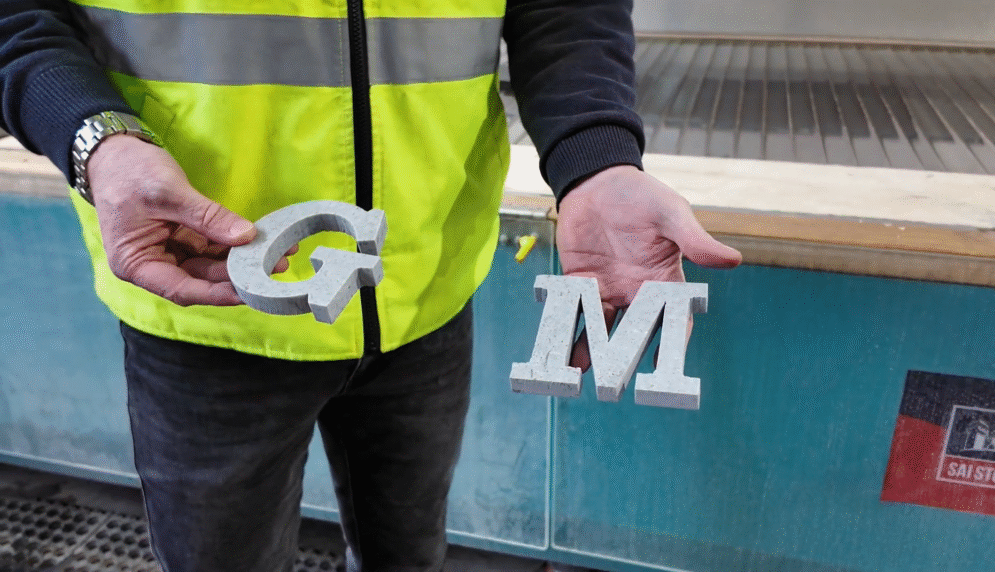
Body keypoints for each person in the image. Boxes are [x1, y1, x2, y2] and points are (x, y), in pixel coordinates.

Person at [0, 0, 742, 570]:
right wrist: (90, 133)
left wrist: (597, 158)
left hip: (425, 293)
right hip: (207, 302)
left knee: (410, 556)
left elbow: (565, 9)